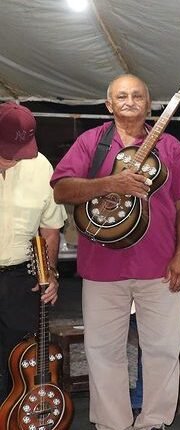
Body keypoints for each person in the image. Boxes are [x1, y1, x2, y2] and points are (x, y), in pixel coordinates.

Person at [51, 74, 180, 430]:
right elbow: (61, 189)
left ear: (149, 104)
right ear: (109, 105)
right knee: (103, 351)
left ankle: (154, 422)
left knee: (163, 350)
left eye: (137, 96)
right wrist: (110, 183)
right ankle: (112, 424)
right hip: (101, 267)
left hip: (160, 267)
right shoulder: (91, 142)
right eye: (121, 96)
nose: (130, 101)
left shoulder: (170, 147)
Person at [0, 102, 66, 403]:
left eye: (18, 153)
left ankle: (9, 420)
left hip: (20, 279)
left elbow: (50, 229)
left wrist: (50, 272)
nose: (13, 160)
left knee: (17, 364)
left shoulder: (40, 166)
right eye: (6, 153)